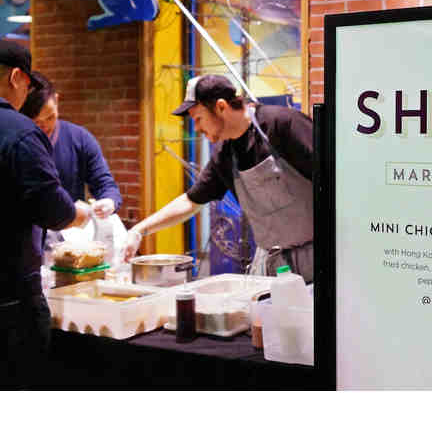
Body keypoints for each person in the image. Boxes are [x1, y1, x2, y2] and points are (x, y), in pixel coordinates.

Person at [123, 74, 314, 282]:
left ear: (221, 107)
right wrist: (139, 230)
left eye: (198, 118)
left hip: (314, 259)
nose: (196, 128)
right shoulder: (224, 154)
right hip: (271, 265)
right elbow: (191, 201)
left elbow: (334, 180)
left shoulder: (282, 124)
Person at [0, 40, 92, 388]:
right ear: (16, 77)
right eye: (27, 86)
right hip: (11, 301)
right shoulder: (21, 132)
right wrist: (79, 213)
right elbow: (54, 210)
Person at [19, 71, 122, 220]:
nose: (45, 126)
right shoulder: (15, 142)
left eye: (50, 117)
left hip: (71, 228)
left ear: (57, 100)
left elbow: (105, 185)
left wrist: (109, 201)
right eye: (36, 122)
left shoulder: (79, 138)